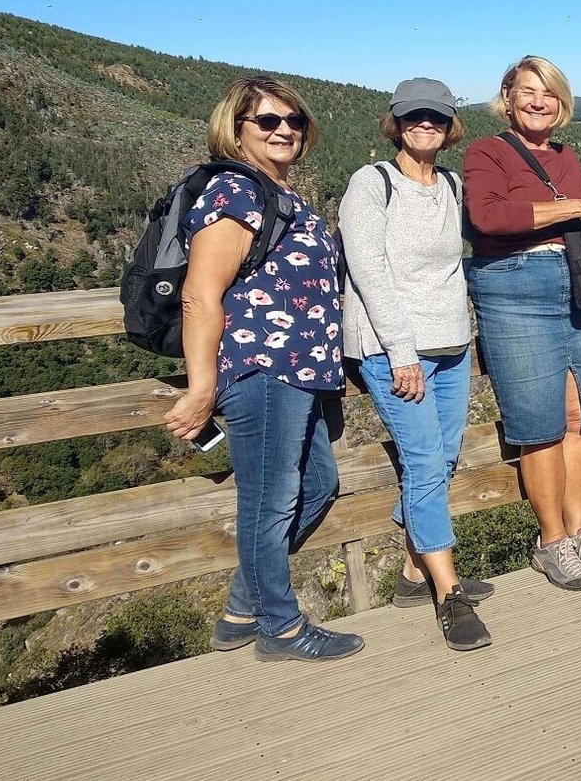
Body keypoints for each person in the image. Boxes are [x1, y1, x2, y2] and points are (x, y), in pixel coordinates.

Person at [163, 76, 363, 662]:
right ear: (237, 129)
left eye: (293, 121)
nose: (283, 131)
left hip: (300, 371)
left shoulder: (276, 190)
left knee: (317, 485)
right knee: (268, 501)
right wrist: (203, 387)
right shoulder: (235, 190)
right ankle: (279, 627)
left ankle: (240, 609)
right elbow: (201, 293)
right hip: (264, 368)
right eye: (267, 122)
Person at [338, 77, 493, 652]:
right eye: (413, 116)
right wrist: (400, 353)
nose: (424, 124)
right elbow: (369, 272)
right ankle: (447, 593)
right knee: (426, 462)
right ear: (396, 122)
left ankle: (411, 575)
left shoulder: (452, 184)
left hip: (451, 346)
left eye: (436, 116)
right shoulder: (371, 183)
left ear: (450, 125)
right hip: (394, 350)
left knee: (443, 459)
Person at [463, 55, 581, 591]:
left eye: (550, 93)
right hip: (513, 286)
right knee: (541, 421)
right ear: (507, 97)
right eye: (528, 91)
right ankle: (551, 541)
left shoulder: (565, 155)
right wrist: (571, 207)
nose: (539, 101)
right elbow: (488, 217)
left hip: (578, 285)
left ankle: (580, 531)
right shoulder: (487, 151)